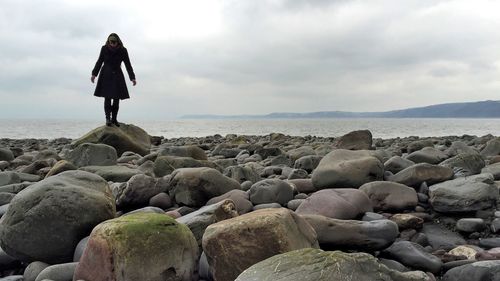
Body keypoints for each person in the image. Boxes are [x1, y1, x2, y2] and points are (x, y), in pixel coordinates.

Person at [91, 33, 136, 127]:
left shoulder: (123, 50)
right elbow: (99, 61)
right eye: (111, 42)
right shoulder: (104, 49)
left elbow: (128, 64)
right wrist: (94, 74)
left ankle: (114, 119)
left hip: (117, 75)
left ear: (117, 41)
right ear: (108, 41)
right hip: (106, 74)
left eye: (114, 42)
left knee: (116, 98)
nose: (112, 44)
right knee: (107, 97)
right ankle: (108, 119)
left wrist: (132, 77)